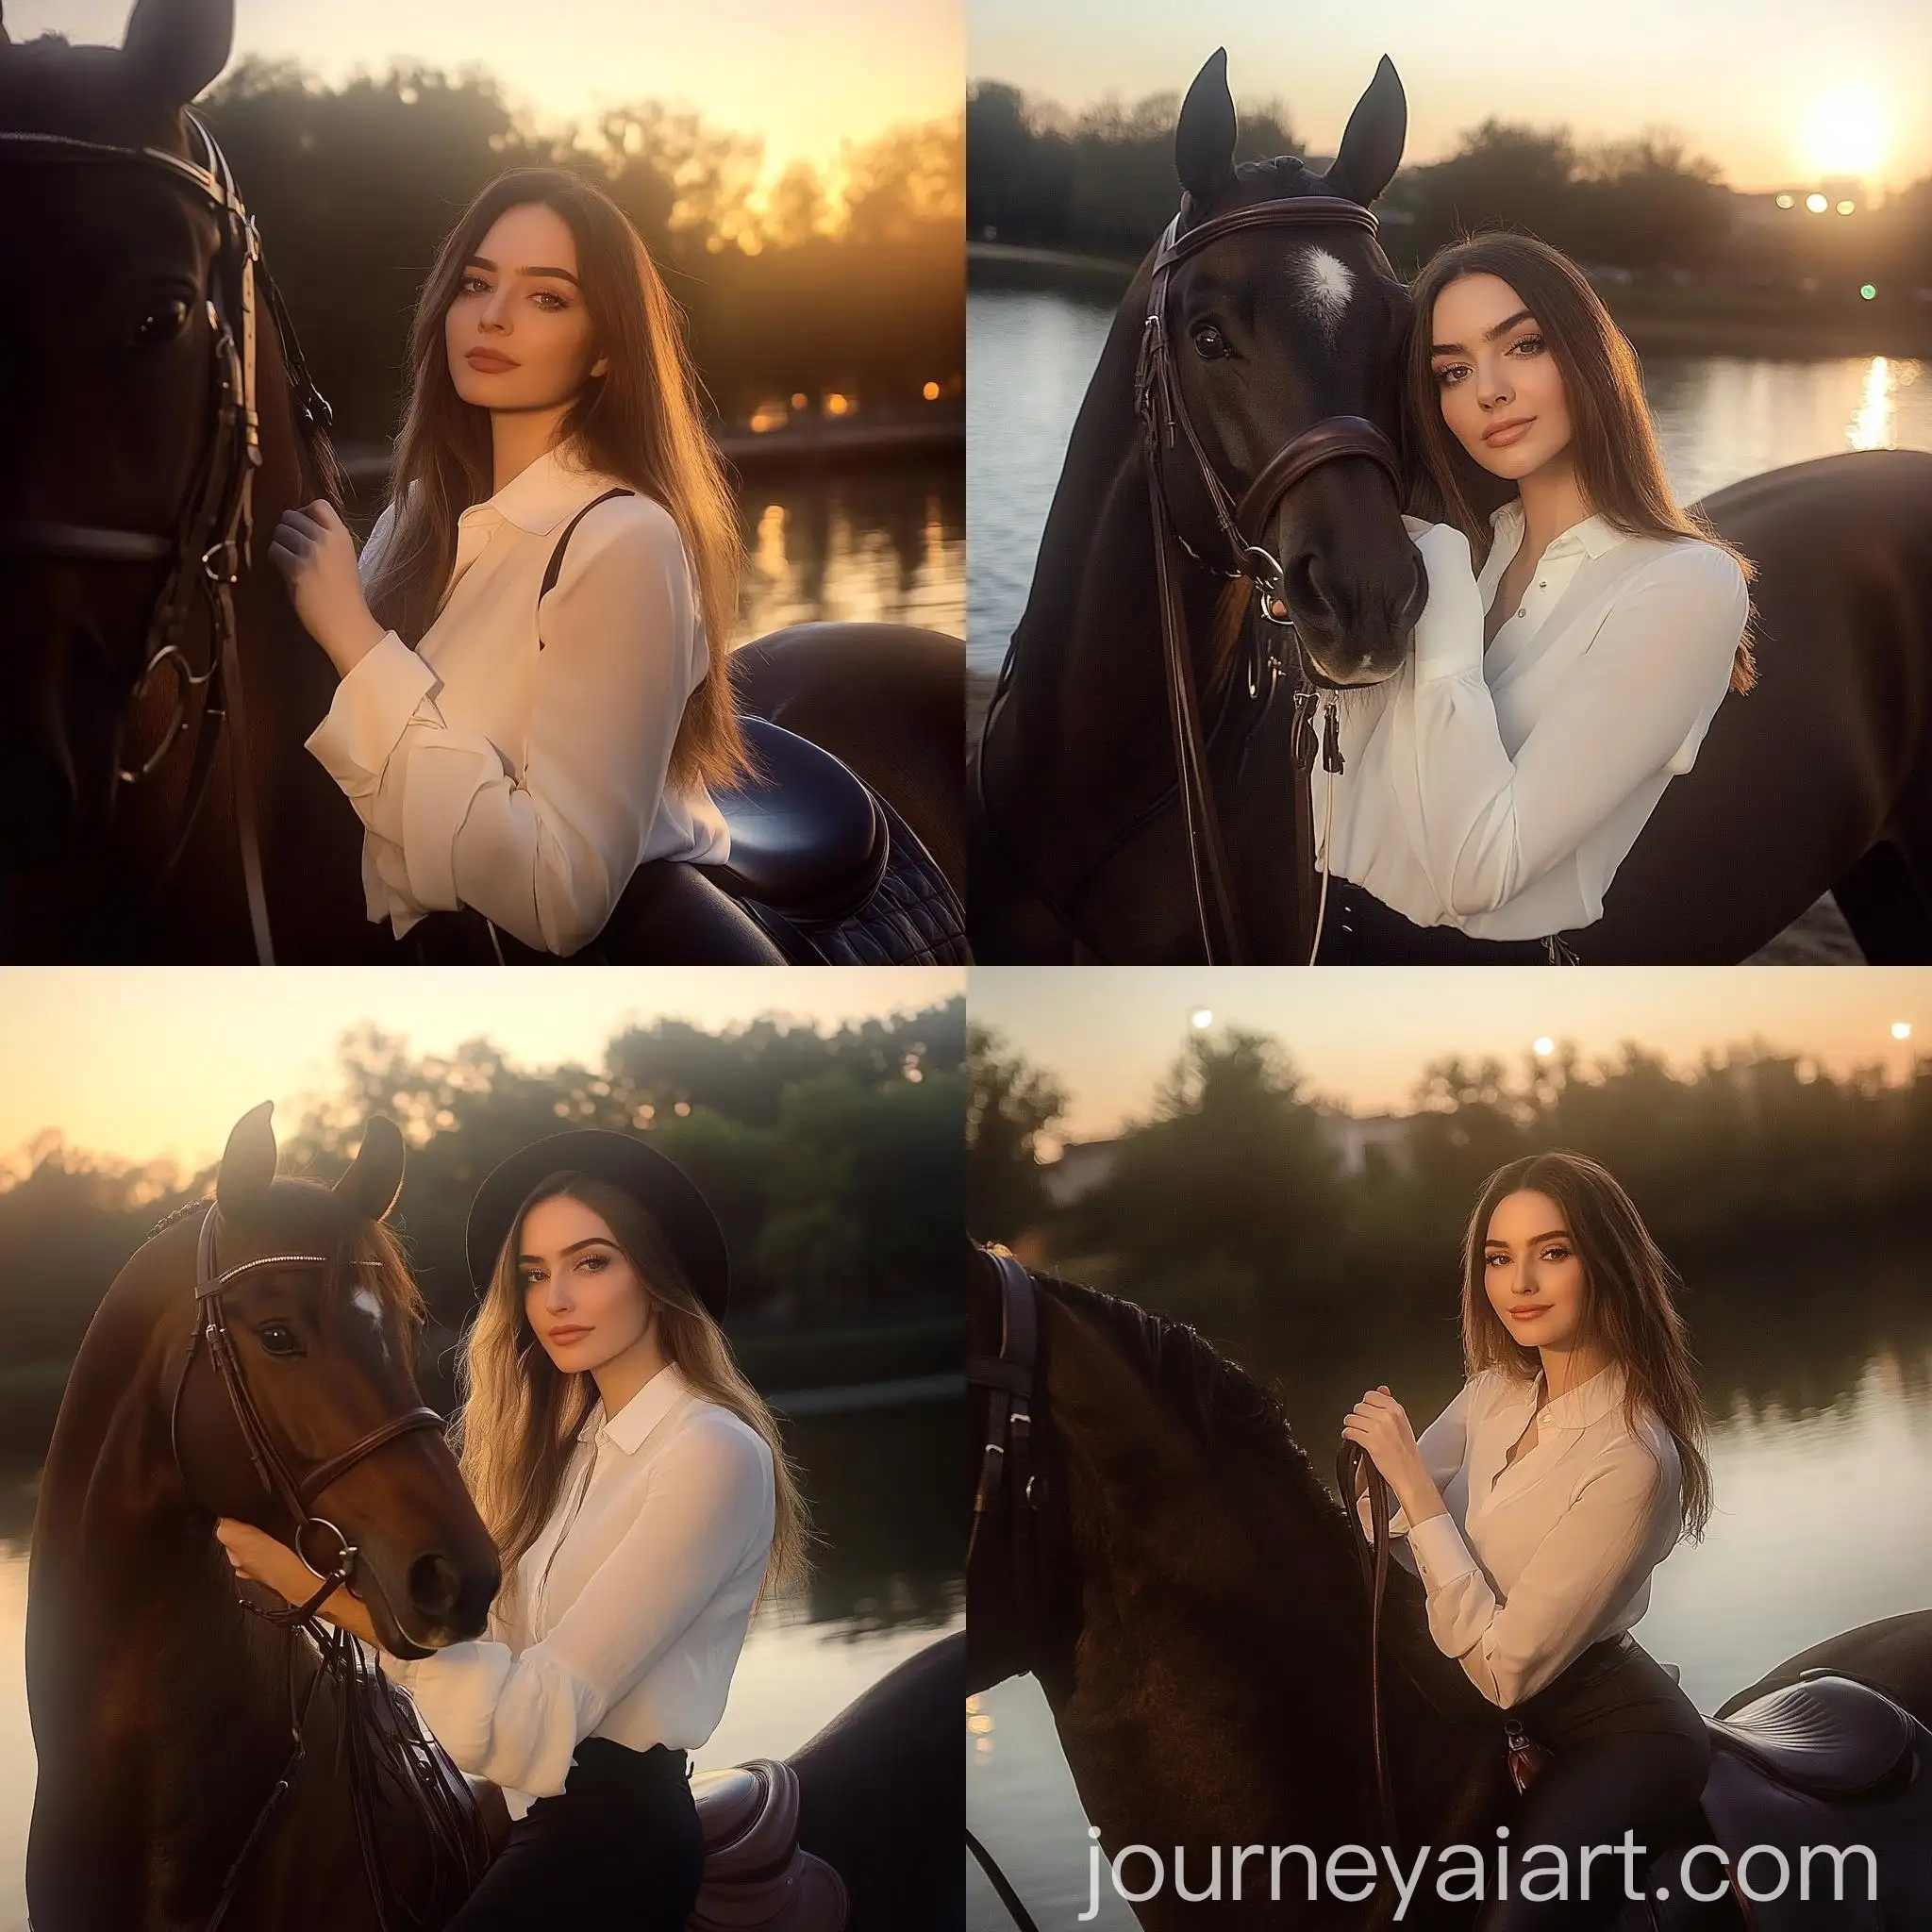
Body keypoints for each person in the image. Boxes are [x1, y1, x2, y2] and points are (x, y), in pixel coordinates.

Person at [217, 1128, 808, 1930]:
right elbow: (481, 1659)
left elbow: (528, 1715)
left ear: (658, 1274)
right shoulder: (572, 1455)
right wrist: (313, 1573)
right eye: (535, 1275)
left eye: (590, 1263)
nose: (555, 1300)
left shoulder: (710, 1453)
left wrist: (304, 1585)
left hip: (613, 1843)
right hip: (534, 1820)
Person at [267, 171, 765, 961]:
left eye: (546, 298)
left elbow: (561, 895)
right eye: (476, 283)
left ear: (605, 350)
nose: (493, 317)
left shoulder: (624, 540)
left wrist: (354, 644)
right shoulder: (412, 517)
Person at [1312, 233, 1755, 963]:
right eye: (1452, 371)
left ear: (1587, 354)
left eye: (1521, 347)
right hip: (1310, 943)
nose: (1487, 389)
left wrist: (1444, 583)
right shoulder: (1475, 546)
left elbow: (1481, 875)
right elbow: (1332, 803)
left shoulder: (1683, 584)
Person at [1342, 1151, 1713, 1930]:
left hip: (1611, 1730)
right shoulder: (1497, 1390)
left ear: (1605, 1262)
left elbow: (1505, 1671)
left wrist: (1416, 1489)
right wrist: (1398, 1491)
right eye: (1499, 1259)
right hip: (1477, 1709)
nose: (1520, 1285)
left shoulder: (1635, 1458)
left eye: (1553, 1252)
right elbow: (1373, 1518)